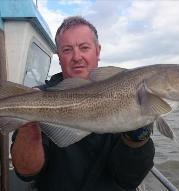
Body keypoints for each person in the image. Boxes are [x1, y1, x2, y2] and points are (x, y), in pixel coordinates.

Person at [11, 16, 155, 191]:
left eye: (84, 47)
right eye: (67, 50)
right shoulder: (39, 97)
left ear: (98, 51)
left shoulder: (125, 93)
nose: (77, 57)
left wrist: (137, 139)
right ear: (59, 57)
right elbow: (26, 172)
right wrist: (28, 127)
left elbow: (128, 179)